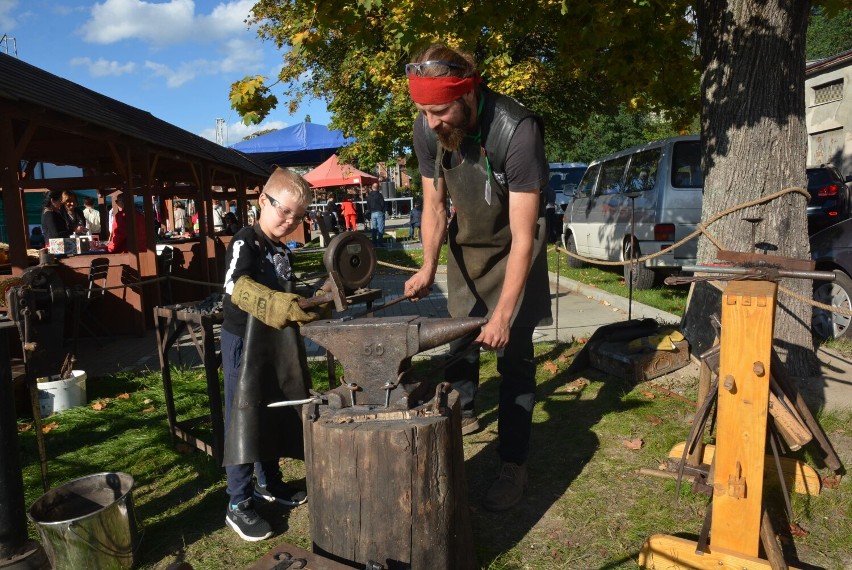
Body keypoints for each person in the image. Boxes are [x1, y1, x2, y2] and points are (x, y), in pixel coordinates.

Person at [403, 44, 551, 512]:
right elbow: (433, 205)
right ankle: (464, 414)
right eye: (424, 111)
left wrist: (505, 313)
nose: (432, 123)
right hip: (467, 252)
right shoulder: (428, 131)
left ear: (468, 92)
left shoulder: (517, 131)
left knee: (515, 362)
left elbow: (525, 238)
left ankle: (514, 462)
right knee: (459, 347)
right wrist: (428, 263)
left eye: (441, 110)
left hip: (515, 256)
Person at [220, 167, 323, 542]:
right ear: (263, 201)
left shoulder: (281, 249)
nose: (290, 221)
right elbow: (234, 285)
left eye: (298, 217)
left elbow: (286, 289)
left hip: (272, 346)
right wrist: (277, 302)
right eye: (284, 212)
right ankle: (238, 502)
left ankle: (270, 483)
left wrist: (311, 300)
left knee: (273, 408)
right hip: (241, 346)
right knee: (243, 417)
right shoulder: (245, 241)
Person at [366, 182, 386, 247]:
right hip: (379, 212)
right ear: (378, 188)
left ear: (372, 188)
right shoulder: (379, 195)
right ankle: (380, 242)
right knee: (380, 227)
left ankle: (374, 243)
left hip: (372, 213)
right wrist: (383, 211)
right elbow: (383, 204)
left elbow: (368, 205)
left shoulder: (369, 196)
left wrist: (370, 211)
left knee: (374, 228)